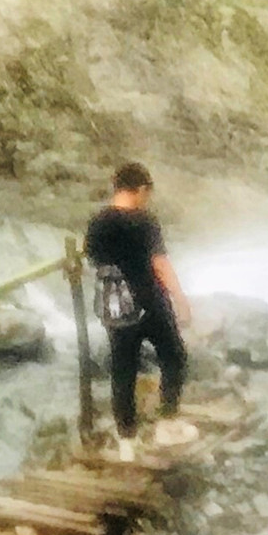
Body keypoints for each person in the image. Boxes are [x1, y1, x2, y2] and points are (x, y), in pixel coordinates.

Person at [83, 162, 193, 447]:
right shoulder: (144, 222)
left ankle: (126, 441)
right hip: (150, 302)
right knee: (174, 356)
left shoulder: (97, 223)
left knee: (123, 370)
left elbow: (94, 261)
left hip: (115, 307)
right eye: (148, 192)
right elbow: (160, 263)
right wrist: (180, 299)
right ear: (141, 189)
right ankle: (167, 423)